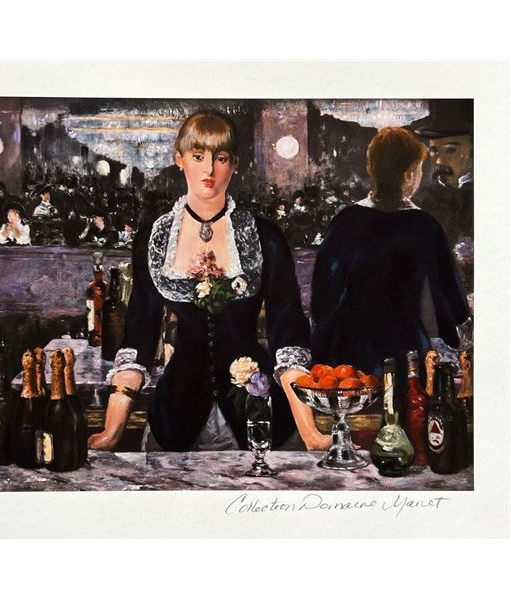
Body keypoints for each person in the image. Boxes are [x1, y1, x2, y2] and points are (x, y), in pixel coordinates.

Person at [88, 110, 330, 452]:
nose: (210, 170)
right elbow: (139, 337)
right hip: (177, 416)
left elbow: (287, 336)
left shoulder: (265, 237)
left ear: (234, 164)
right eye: (198, 156)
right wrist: (112, 430)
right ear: (179, 159)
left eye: (221, 158)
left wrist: (310, 431)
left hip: (260, 415)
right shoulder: (155, 239)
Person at [310, 127, 469, 418]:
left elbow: (323, 294)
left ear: (372, 168)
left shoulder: (345, 221)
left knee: (352, 416)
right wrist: (454, 329)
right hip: (403, 341)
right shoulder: (424, 225)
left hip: (349, 341)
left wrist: (325, 334)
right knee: (405, 414)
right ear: (410, 173)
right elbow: (446, 293)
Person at [413, 99, 473, 246]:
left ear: (471, 151)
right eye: (434, 151)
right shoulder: (422, 200)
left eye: (450, 150)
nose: (439, 161)